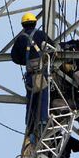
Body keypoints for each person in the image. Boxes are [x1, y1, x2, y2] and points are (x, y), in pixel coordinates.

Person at [11, 12, 53, 140]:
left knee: (31, 101)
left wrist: (26, 60)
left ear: (23, 25)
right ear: (35, 22)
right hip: (42, 73)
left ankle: (30, 127)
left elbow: (15, 57)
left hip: (30, 75)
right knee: (43, 98)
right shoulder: (41, 35)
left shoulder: (20, 39)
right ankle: (42, 124)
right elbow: (53, 48)